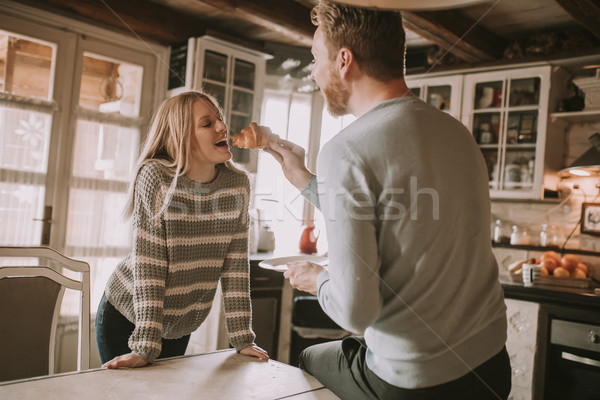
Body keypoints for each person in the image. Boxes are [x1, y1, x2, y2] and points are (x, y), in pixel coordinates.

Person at [264, 2, 511, 399]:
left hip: (417, 379)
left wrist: (316, 279)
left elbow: (354, 311)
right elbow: (397, 213)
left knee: (310, 359)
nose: (313, 71)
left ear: (344, 60)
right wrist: (307, 181)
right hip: (491, 364)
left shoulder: (345, 150)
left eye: (314, 59)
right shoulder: (456, 132)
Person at [96, 91, 269, 369]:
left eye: (220, 120)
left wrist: (242, 339)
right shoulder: (156, 178)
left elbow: (235, 265)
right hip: (129, 317)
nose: (222, 127)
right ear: (181, 137)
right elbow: (149, 266)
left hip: (181, 324)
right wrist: (145, 345)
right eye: (207, 123)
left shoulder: (237, 185)